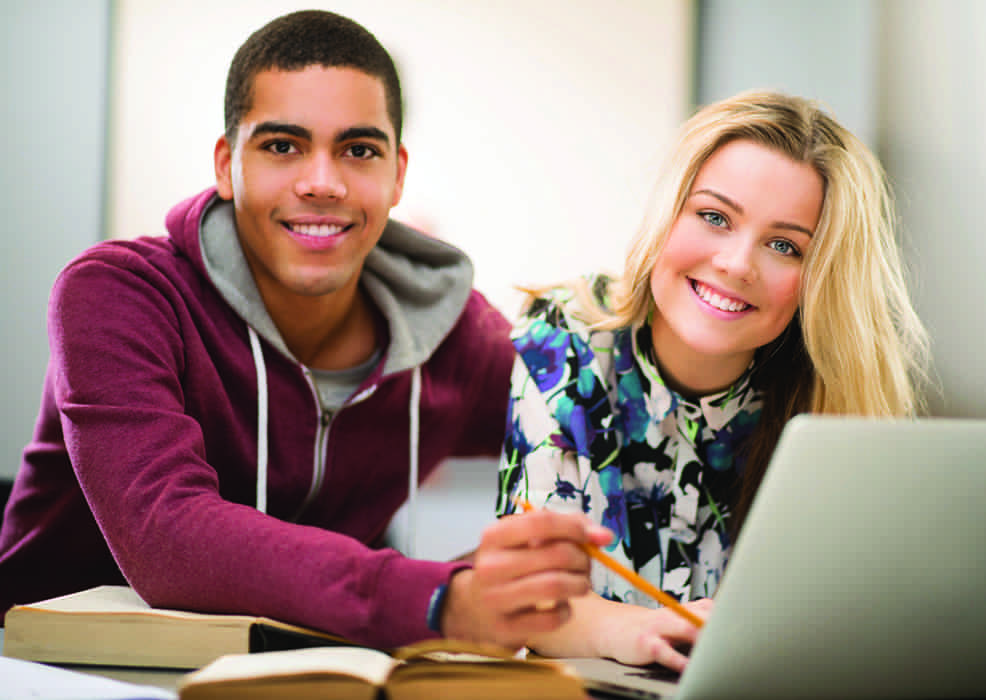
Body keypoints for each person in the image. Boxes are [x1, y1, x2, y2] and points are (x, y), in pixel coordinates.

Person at [0, 9, 611, 651]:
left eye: (358, 150)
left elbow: (603, 436)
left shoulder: (457, 342)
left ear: (397, 174)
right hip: (53, 668)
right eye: (282, 146)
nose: (321, 182)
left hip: (300, 671)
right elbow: (165, 534)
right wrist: (440, 598)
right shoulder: (119, 294)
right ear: (225, 164)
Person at [496, 90, 932, 671]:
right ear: (668, 215)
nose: (736, 263)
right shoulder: (564, 336)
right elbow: (529, 603)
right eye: (714, 217)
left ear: (818, 278)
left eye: (784, 245)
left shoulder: (830, 401)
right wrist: (645, 630)